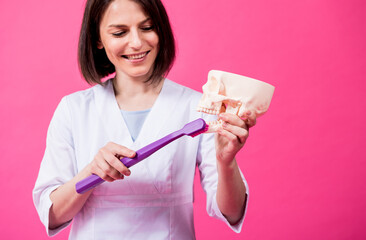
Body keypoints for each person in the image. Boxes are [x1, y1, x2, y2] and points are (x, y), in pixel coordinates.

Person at [33, 0, 256, 239]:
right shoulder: (73, 110)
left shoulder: (197, 108)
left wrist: (226, 161)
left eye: (147, 27)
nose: (137, 42)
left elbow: (231, 213)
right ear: (98, 38)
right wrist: (91, 173)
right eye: (119, 32)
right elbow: (53, 215)